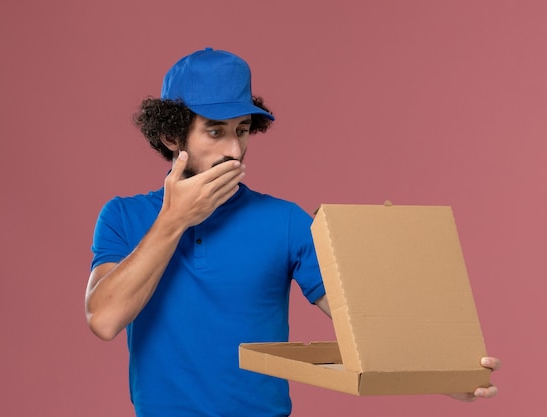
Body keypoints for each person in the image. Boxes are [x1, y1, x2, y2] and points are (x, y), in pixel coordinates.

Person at [85, 47, 500, 417]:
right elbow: (103, 319)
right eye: (215, 130)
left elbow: (368, 322)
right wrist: (174, 219)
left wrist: (444, 377)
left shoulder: (283, 221)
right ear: (172, 135)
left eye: (242, 130)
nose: (234, 151)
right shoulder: (123, 216)